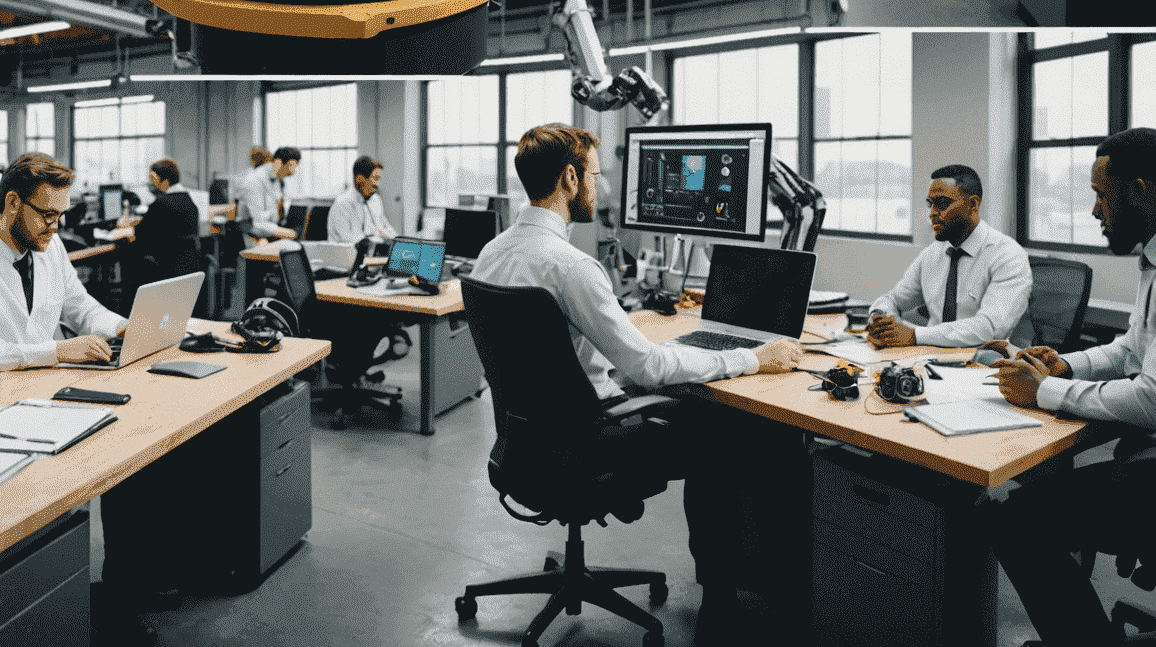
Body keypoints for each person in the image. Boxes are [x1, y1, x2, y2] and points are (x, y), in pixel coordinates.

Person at [470, 124, 806, 642]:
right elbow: (646, 368)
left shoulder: (491, 254)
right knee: (721, 432)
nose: (601, 190)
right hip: (585, 443)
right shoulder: (572, 267)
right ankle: (721, 598)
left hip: (525, 439)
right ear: (568, 177)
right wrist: (751, 358)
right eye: (597, 177)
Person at [985, 128, 1156, 647]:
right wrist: (1064, 366)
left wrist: (1043, 392)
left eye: (1101, 195)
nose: (1094, 211)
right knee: (1036, 506)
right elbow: (1131, 351)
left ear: (1140, 190)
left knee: (1016, 519)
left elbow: (1155, 400)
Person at [0, 153, 129, 394]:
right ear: (13, 203)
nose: (55, 227)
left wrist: (122, 327)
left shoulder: (51, 246)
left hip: (36, 386)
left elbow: (81, 307)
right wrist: (58, 351)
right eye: (48, 215)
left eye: (60, 215)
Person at [865, 164, 1032, 348]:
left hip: (983, 361)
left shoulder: (1008, 256)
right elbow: (893, 299)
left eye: (943, 204)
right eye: (930, 203)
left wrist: (914, 335)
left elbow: (989, 328)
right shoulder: (933, 253)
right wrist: (879, 317)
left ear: (973, 204)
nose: (932, 213)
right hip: (927, 357)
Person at [116, 158, 202, 284]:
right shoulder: (189, 202)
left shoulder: (161, 203)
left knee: (126, 248)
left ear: (165, 181)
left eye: (153, 179)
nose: (151, 183)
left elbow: (140, 235)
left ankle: (128, 301)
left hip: (163, 269)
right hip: (186, 269)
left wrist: (127, 233)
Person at [327, 155, 397, 246]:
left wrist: (396, 240)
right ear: (359, 179)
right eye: (375, 178)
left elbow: (385, 227)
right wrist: (378, 237)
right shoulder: (342, 204)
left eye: (379, 179)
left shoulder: (375, 200)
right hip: (348, 256)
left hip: (373, 254)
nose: (377, 184)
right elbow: (348, 239)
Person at [238, 146, 301, 240]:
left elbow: (275, 212)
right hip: (251, 235)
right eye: (290, 166)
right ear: (278, 163)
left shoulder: (277, 180)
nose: (293, 172)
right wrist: (286, 233)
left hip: (269, 233)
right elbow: (258, 222)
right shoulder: (253, 180)